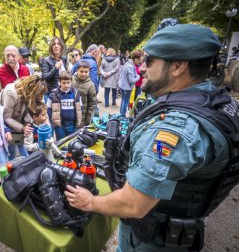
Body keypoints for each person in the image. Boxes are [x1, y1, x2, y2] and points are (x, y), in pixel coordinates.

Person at [65, 23, 239, 251]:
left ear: (177, 67)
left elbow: (133, 204)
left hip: (152, 240)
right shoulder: (213, 100)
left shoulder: (176, 129)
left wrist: (90, 202)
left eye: (150, 61)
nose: (142, 68)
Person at [0, 75, 47, 160]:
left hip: (19, 123)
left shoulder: (34, 93)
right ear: (31, 91)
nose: (41, 97)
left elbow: (31, 108)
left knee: (21, 146)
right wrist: (22, 127)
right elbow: (6, 117)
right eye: (39, 94)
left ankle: (26, 163)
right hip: (8, 125)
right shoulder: (11, 93)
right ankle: (11, 169)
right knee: (12, 150)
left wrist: (27, 124)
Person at [47, 71, 82, 140]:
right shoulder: (53, 95)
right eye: (64, 83)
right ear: (59, 82)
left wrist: (78, 121)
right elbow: (48, 109)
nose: (66, 85)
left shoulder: (76, 93)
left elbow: (79, 108)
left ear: (71, 82)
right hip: (59, 125)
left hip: (72, 124)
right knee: (60, 142)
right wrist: (53, 121)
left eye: (68, 82)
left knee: (70, 142)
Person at [71, 61, 96, 127]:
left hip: (81, 117)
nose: (84, 74)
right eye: (81, 71)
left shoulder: (91, 85)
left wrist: (87, 121)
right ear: (77, 70)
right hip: (70, 114)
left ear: (89, 72)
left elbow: (92, 104)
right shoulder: (71, 80)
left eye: (86, 72)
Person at [118, 50, 142, 117]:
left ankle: (121, 114)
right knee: (125, 101)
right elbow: (131, 80)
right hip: (127, 87)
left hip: (122, 85)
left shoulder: (127, 63)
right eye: (139, 60)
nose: (140, 61)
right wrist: (138, 77)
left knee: (123, 100)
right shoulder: (130, 66)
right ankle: (122, 116)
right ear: (136, 59)